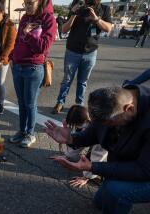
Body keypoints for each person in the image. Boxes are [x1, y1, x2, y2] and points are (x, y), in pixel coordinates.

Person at [45, 85, 150, 214]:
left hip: (145, 172)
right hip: (125, 163)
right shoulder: (116, 101)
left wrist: (92, 167)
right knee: (101, 201)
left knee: (115, 191)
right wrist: (71, 139)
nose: (102, 126)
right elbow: (94, 133)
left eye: (109, 123)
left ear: (129, 109)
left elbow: (144, 170)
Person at [9, 0, 56, 148]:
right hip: (18, 66)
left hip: (33, 67)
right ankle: (22, 131)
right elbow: (17, 41)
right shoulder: (24, 18)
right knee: (21, 103)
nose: (27, 6)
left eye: (30, 3)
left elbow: (42, 47)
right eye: (25, 3)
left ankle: (30, 133)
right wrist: (12, 57)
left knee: (30, 104)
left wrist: (28, 34)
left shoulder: (48, 19)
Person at [52, 0, 112, 114]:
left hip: (90, 52)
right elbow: (64, 29)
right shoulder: (77, 3)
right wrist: (73, 13)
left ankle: (79, 104)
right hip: (72, 50)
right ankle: (60, 102)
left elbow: (109, 28)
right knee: (67, 80)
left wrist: (96, 19)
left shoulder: (104, 9)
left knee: (82, 81)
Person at [62, 105, 108, 187]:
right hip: (92, 132)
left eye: (78, 125)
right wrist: (68, 140)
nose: (76, 127)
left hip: (111, 146)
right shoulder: (83, 120)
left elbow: (98, 155)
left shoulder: (102, 130)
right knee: (70, 155)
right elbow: (76, 139)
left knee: (97, 154)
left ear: (87, 121)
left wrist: (86, 176)